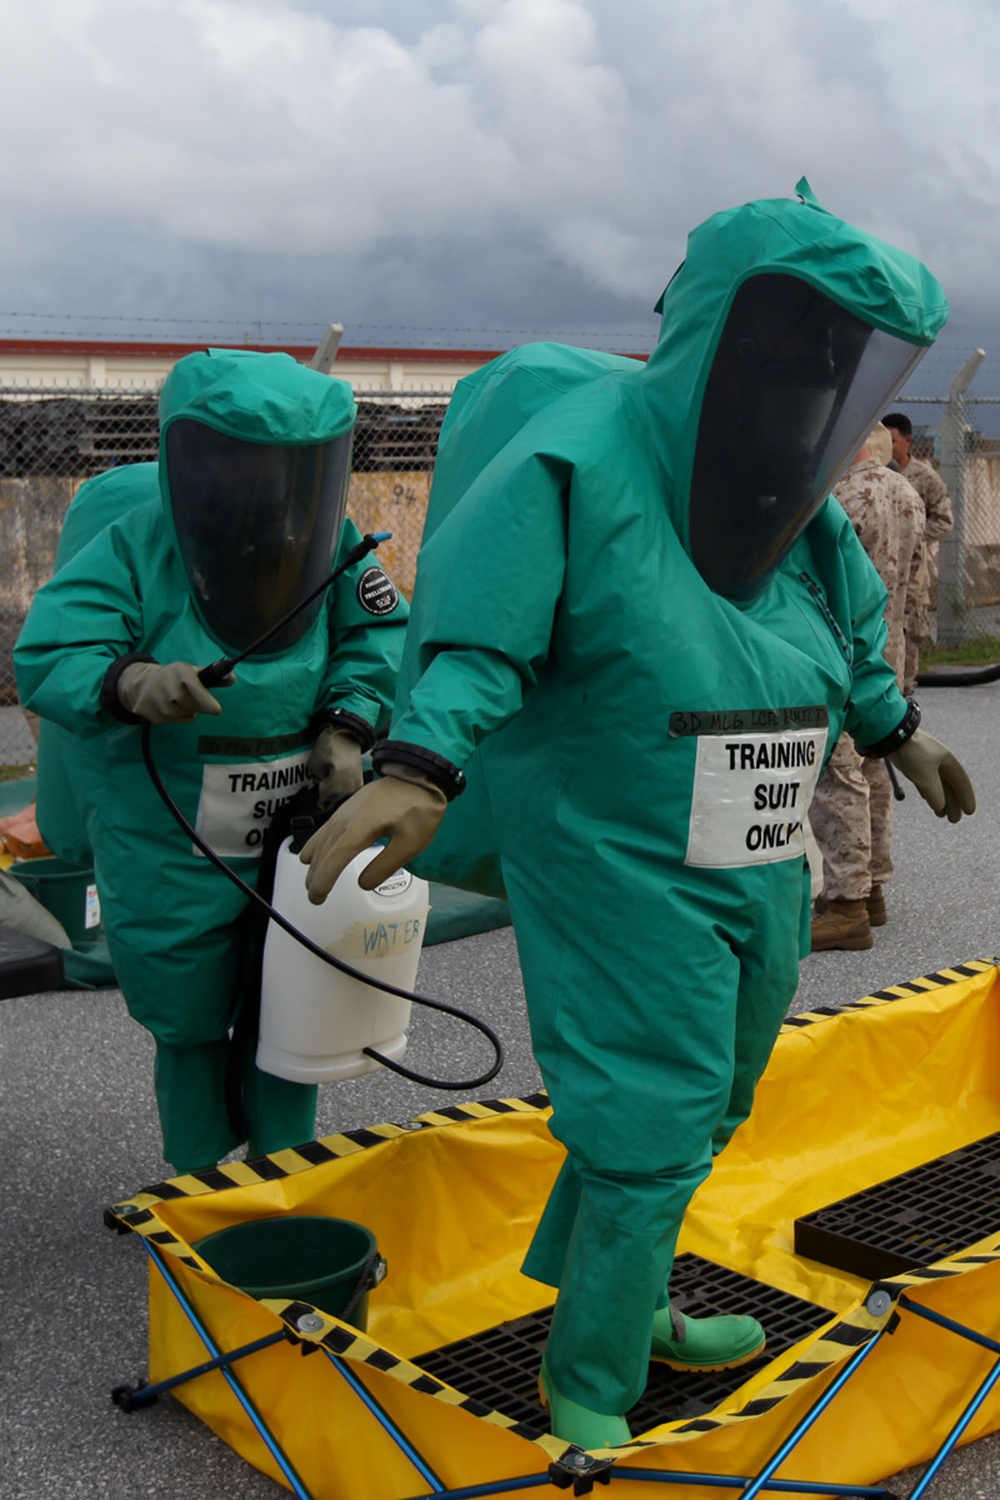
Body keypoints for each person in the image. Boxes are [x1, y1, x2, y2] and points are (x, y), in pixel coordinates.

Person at [295, 183, 975, 1449]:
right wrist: (421, 764)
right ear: (723, 327)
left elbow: (832, 613)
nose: (813, 379)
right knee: (649, 1105)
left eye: (843, 355)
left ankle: (628, 1278)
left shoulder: (790, 492)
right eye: (793, 340)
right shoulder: (582, 454)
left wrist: (895, 730)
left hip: (753, 837)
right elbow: (487, 628)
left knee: (713, 1091)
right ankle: (592, 1375)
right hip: (615, 836)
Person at [14, 349, 408, 1176]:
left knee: (294, 1007)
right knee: (189, 1021)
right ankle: (201, 1193)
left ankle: (286, 1184)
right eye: (241, 461)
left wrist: (347, 723)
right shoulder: (134, 547)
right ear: (195, 459)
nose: (266, 486)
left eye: (290, 467)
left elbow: (378, 635)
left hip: (297, 832)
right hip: (168, 839)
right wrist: (130, 681)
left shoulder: (332, 543)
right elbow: (49, 654)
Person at [809, 424, 924, 949]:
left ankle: (845, 901)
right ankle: (874, 884)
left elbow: (827, 582)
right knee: (877, 759)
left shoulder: (840, 497)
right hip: (890, 643)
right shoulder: (905, 490)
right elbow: (914, 574)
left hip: (846, 645)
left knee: (837, 766)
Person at [882, 410, 954, 691]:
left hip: (913, 577)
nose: (888, 447)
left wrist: (911, 537)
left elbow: (944, 520)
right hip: (883, 572)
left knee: (908, 645)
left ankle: (905, 700)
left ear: (908, 441)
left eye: (893, 441)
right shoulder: (880, 475)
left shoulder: (924, 477)